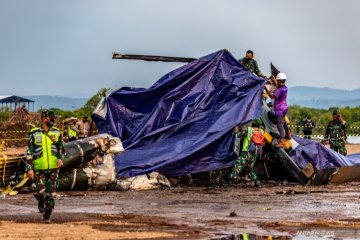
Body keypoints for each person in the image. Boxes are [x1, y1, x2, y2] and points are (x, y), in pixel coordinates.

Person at [25, 109, 65, 223]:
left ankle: (47, 214)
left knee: (51, 193)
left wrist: (60, 159)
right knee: (38, 191)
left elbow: (62, 148)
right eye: (51, 119)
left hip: (53, 168)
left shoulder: (57, 132)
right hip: (39, 168)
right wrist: (29, 169)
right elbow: (29, 152)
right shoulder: (34, 132)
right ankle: (41, 201)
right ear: (44, 119)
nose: (53, 121)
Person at [230, 118, 265, 187]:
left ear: (253, 123)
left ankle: (231, 181)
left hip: (246, 152)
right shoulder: (261, 131)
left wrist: (235, 130)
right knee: (249, 169)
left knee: (237, 165)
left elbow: (238, 135)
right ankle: (256, 182)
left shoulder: (249, 130)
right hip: (255, 153)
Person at [264, 72, 288, 147]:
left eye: (278, 80)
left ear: (280, 81)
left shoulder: (280, 90)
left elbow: (271, 96)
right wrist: (274, 79)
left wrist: (266, 89)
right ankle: (288, 133)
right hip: (284, 108)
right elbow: (278, 85)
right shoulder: (285, 88)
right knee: (283, 122)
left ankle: (282, 141)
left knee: (279, 125)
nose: (277, 82)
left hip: (279, 109)